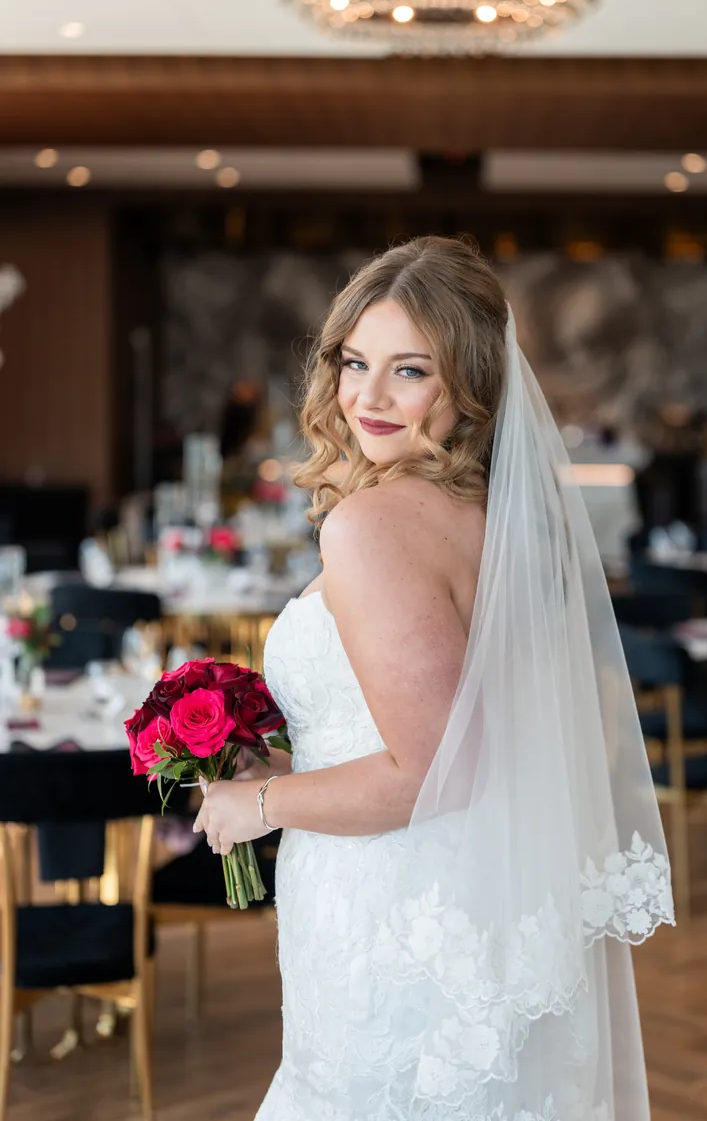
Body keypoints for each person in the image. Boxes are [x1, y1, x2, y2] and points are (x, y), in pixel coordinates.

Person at [194, 237, 674, 1121]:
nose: (368, 396)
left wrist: (253, 805)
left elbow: (431, 769)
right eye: (355, 361)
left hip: (394, 917)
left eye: (409, 370)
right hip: (484, 904)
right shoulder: (498, 517)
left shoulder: (372, 526)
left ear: (472, 386)